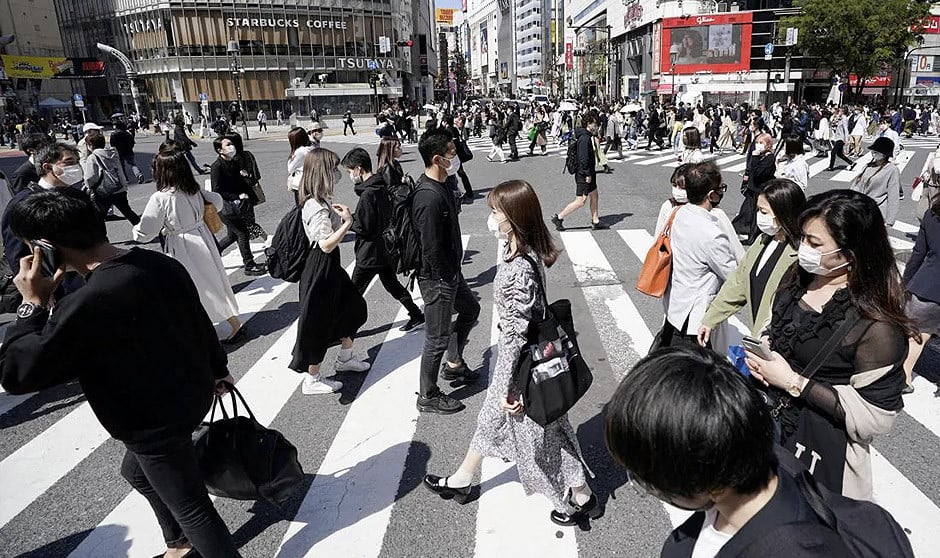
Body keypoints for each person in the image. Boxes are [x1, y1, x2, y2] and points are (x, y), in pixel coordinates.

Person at [0, 189, 240, 558]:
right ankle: (178, 542)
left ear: (46, 248)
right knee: (138, 474)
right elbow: (199, 322)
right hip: (190, 396)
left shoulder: (86, 301)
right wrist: (219, 369)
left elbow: (18, 373)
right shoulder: (159, 264)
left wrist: (30, 305)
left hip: (150, 422)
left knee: (195, 510)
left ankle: (187, 540)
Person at [424, 179, 597, 524]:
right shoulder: (522, 249)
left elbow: (517, 335)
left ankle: (579, 498)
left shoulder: (519, 267)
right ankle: (462, 478)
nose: (490, 218)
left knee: (542, 436)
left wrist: (508, 387)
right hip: (518, 358)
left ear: (513, 217)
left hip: (518, 364)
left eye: (495, 212)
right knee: (498, 423)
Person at [605, 348, 855, 557]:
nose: (647, 486)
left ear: (714, 486)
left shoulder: (786, 550)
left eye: (649, 481)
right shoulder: (772, 465)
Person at [745, 189, 911, 500]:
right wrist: (764, 350)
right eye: (803, 237)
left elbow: (875, 417)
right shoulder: (799, 277)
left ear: (850, 255)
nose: (802, 249)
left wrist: (794, 382)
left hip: (821, 455)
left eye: (814, 243)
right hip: (766, 431)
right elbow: (773, 324)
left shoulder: (876, 326)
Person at [133, 148, 243, 343]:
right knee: (211, 282)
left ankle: (200, 331)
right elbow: (217, 202)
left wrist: (136, 232)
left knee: (189, 287)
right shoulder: (194, 188)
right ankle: (232, 323)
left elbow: (146, 230)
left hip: (181, 244)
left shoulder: (161, 198)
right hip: (203, 237)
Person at [291, 148, 371, 395]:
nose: (336, 174)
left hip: (328, 267)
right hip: (320, 267)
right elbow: (325, 244)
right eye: (333, 169)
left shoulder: (320, 199)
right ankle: (311, 379)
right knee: (319, 323)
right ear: (322, 172)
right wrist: (346, 223)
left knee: (352, 309)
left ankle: (345, 358)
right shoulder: (315, 206)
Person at [413, 132, 481, 414]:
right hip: (437, 277)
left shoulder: (442, 184)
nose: (456, 157)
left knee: (470, 310)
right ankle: (428, 395)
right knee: (436, 337)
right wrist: (446, 277)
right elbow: (430, 248)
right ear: (437, 159)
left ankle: (453, 364)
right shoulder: (428, 197)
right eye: (451, 153)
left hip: (450, 271)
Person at [698, 179, 805, 347]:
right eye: (758, 210)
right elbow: (739, 282)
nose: (758, 216)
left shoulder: (800, 254)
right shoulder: (763, 240)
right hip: (760, 340)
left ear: (783, 214)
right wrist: (711, 319)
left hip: (783, 346)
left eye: (763, 211)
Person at [341, 147, 424, 331]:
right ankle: (416, 315)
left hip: (369, 253)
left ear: (359, 169)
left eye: (349, 171)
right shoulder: (381, 185)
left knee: (353, 293)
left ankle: (343, 331)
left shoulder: (368, 194)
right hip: (385, 248)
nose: (350, 176)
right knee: (393, 286)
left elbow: (364, 226)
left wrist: (348, 219)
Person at [658, 161, 738, 349]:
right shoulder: (711, 232)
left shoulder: (678, 213)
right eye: (721, 189)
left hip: (677, 306)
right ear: (711, 195)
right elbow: (733, 275)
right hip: (696, 315)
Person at [2, 142, 84, 275]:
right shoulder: (23, 203)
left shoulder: (78, 196)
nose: (76, 167)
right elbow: (17, 253)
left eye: (77, 162)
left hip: (85, 277)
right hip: (51, 282)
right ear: (47, 167)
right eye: (69, 162)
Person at [209, 137, 266, 276]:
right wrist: (237, 196)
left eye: (231, 144)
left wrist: (247, 177)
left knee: (232, 236)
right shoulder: (217, 167)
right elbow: (216, 190)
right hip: (226, 207)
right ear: (219, 150)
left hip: (237, 206)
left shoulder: (234, 163)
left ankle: (212, 255)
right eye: (227, 145)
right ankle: (249, 265)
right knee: (242, 233)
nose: (231, 147)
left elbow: (242, 183)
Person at [901, 194, 940, 392]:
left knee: (917, 334)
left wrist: (906, 282)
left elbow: (918, 254)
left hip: (927, 287)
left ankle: (905, 377)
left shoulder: (932, 215)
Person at [551, 114, 608, 231]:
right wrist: (587, 174)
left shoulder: (586, 136)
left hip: (589, 172)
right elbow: (583, 159)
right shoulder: (584, 139)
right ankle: (559, 217)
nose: (596, 127)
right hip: (583, 174)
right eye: (595, 124)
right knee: (581, 200)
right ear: (588, 124)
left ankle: (595, 220)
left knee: (594, 195)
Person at [733, 133, 776, 243]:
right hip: (753, 190)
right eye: (757, 142)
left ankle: (753, 237)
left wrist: (755, 157)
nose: (758, 145)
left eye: (761, 143)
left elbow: (757, 173)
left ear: (768, 145)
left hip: (760, 190)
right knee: (748, 213)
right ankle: (749, 235)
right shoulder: (762, 156)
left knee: (756, 215)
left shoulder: (769, 158)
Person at [850, 137, 900, 227]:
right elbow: (857, 185)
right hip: (860, 209)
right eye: (873, 151)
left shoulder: (892, 170)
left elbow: (893, 196)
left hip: (877, 212)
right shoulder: (868, 166)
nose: (873, 154)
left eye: (877, 152)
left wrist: (890, 220)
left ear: (885, 154)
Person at [287, 127, 317, 205]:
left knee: (301, 209)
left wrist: (291, 158)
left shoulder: (299, 152)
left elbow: (290, 169)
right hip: (313, 182)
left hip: (300, 184)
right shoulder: (313, 147)